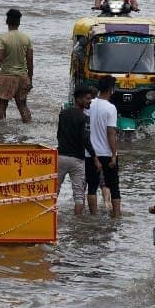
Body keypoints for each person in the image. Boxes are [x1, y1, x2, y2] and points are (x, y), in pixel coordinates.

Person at [57, 85, 98, 215]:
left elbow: (58, 135)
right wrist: (95, 157)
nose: (90, 101)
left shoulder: (63, 114)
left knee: (54, 192)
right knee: (79, 196)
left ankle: (50, 220)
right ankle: (77, 224)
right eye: (87, 99)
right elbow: (86, 140)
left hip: (60, 157)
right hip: (77, 160)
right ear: (79, 99)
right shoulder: (84, 117)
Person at [0, 8, 35, 123]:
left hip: (6, 77)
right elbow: (30, 60)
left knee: (1, 108)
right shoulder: (26, 39)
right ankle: (28, 129)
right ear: (19, 22)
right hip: (22, 77)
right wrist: (30, 78)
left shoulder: (2, 39)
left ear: (7, 21)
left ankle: (1, 132)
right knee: (23, 106)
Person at [86, 76, 122, 217]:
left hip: (90, 153)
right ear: (111, 89)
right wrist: (114, 154)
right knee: (114, 187)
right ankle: (116, 217)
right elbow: (110, 132)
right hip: (106, 152)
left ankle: (93, 217)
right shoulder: (111, 108)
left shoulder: (89, 104)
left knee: (92, 187)